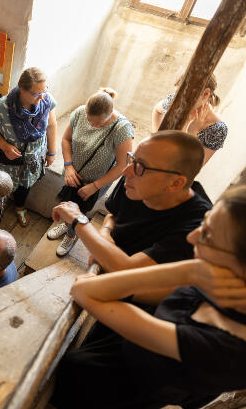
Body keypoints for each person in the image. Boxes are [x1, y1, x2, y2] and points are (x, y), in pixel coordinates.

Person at [51, 185, 246, 409]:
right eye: (204, 223)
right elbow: (122, 291)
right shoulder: (221, 288)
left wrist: (188, 271)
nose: (192, 237)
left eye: (208, 236)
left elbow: (85, 290)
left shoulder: (224, 349)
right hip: (86, 374)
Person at [52, 131, 212, 272]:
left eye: (141, 166)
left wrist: (78, 221)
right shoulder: (133, 179)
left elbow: (128, 270)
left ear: (175, 183)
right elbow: (113, 216)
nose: (126, 171)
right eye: (132, 159)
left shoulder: (197, 226)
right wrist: (105, 233)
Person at [47, 88, 134, 257]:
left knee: (82, 209)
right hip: (73, 173)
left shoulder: (121, 128)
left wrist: (95, 186)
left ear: (110, 115)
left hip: (97, 181)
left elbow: (123, 165)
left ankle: (72, 234)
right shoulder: (80, 113)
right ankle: (67, 224)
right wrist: (69, 166)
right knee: (68, 202)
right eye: (90, 121)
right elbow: (66, 139)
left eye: (99, 124)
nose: (93, 126)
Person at [0, 67, 58, 227]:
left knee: (25, 186)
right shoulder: (2, 106)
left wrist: (51, 152)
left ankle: (19, 207)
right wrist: (4, 146)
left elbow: (51, 126)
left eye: (44, 91)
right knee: (1, 187)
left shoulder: (46, 101)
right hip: (9, 160)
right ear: (22, 89)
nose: (41, 97)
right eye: (35, 93)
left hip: (33, 159)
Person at [151, 73, 227, 165]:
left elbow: (192, 168)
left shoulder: (216, 129)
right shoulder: (174, 102)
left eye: (184, 97)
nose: (178, 102)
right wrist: (157, 137)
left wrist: (192, 133)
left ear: (205, 94)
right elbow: (157, 110)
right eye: (176, 95)